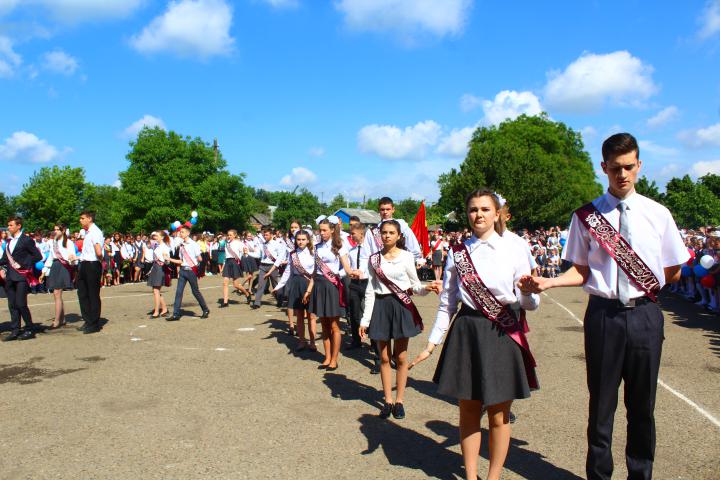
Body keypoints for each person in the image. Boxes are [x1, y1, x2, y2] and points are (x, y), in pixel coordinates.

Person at [519, 133, 689, 480]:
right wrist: (550, 282)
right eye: (615, 168)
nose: (622, 174)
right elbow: (581, 269)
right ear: (604, 168)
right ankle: (599, 475)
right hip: (603, 316)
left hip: (644, 314)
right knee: (601, 406)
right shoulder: (586, 216)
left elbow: (674, 271)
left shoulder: (658, 214)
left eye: (629, 167)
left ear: (639, 165)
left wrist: (642, 280)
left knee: (642, 407)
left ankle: (640, 474)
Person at [411, 189, 540, 480]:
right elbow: (447, 303)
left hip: (502, 331)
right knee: (468, 410)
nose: (478, 214)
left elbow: (529, 303)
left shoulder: (516, 248)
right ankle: (471, 476)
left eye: (485, 209)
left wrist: (531, 293)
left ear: (497, 213)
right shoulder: (458, 254)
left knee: (498, 414)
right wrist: (431, 343)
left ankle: (493, 477)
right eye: (473, 210)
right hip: (467, 331)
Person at [360, 220, 440, 420]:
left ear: (398, 236)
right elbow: (370, 289)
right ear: (379, 236)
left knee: (401, 357)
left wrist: (426, 288)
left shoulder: (406, 257)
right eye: (384, 233)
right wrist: (365, 320)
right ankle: (387, 400)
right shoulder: (374, 259)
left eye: (391, 232)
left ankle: (399, 401)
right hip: (380, 307)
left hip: (401, 307)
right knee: (384, 358)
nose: (387, 236)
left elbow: (414, 286)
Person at [305, 216, 355, 370]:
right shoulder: (317, 247)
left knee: (334, 325)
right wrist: (309, 289)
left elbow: (347, 267)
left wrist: (347, 273)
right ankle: (326, 358)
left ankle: (334, 359)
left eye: (325, 230)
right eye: (320, 230)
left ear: (332, 230)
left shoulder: (339, 246)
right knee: (324, 325)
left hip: (332, 286)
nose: (322, 233)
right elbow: (315, 271)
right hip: (319, 285)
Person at [273, 229, 317, 351]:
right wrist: (279, 286)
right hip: (297, 284)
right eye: (298, 239)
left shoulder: (313, 252)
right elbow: (288, 271)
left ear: (308, 240)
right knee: (299, 316)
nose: (301, 242)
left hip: (310, 284)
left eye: (303, 239)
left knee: (311, 316)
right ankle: (302, 341)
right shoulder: (292, 254)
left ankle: (312, 342)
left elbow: (316, 271)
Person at [0, 216, 43, 341]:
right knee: (12, 304)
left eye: (11, 225)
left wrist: (25, 264)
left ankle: (30, 329)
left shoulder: (26, 240)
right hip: (10, 277)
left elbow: (38, 256)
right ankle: (15, 330)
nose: (8, 227)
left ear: (18, 226)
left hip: (22, 276)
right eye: (8, 225)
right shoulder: (9, 242)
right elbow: (4, 259)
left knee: (21, 303)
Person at [166, 225, 210, 321]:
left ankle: (205, 309)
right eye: (180, 232)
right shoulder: (181, 245)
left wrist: (196, 267)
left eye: (182, 232)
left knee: (195, 291)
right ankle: (176, 314)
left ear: (188, 233)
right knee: (178, 292)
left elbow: (200, 258)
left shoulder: (194, 244)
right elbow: (181, 261)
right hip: (183, 271)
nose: (180, 233)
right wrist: (169, 259)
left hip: (191, 271)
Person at [45, 223, 78, 329]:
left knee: (57, 293)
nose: (55, 232)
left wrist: (71, 259)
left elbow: (72, 257)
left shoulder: (68, 242)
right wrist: (45, 269)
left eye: (57, 230)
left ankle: (57, 321)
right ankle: (62, 318)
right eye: (54, 230)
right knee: (57, 294)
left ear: (63, 231)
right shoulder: (53, 242)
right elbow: (50, 256)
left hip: (63, 266)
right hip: (55, 265)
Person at [77, 211, 104, 334]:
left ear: (89, 218)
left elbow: (98, 251)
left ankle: (94, 323)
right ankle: (87, 320)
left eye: (82, 218)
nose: (80, 220)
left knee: (93, 294)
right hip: (84, 264)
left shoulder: (95, 232)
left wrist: (100, 261)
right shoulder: (87, 233)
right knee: (82, 293)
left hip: (92, 264)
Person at [251, 227, 286, 311]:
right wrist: (247, 253)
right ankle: (257, 303)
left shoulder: (277, 244)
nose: (265, 236)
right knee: (260, 284)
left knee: (275, 285)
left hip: (273, 266)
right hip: (263, 266)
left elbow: (280, 256)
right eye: (264, 235)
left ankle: (280, 300)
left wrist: (277, 264)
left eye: (266, 235)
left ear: (271, 235)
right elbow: (258, 255)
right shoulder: (263, 244)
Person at [220, 229, 251, 308]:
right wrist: (223, 266)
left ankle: (247, 294)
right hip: (227, 262)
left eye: (230, 235)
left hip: (235, 262)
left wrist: (245, 253)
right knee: (225, 282)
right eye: (228, 235)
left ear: (234, 235)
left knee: (236, 285)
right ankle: (225, 302)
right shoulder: (227, 244)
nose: (229, 236)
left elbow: (245, 249)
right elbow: (226, 255)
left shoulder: (238, 243)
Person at [147, 231, 172, 318]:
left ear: (162, 237)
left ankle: (157, 311)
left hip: (160, 268)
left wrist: (166, 259)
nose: (155, 237)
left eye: (157, 236)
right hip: (156, 267)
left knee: (156, 291)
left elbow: (166, 259)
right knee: (155, 291)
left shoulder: (164, 247)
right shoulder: (158, 246)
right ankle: (164, 309)